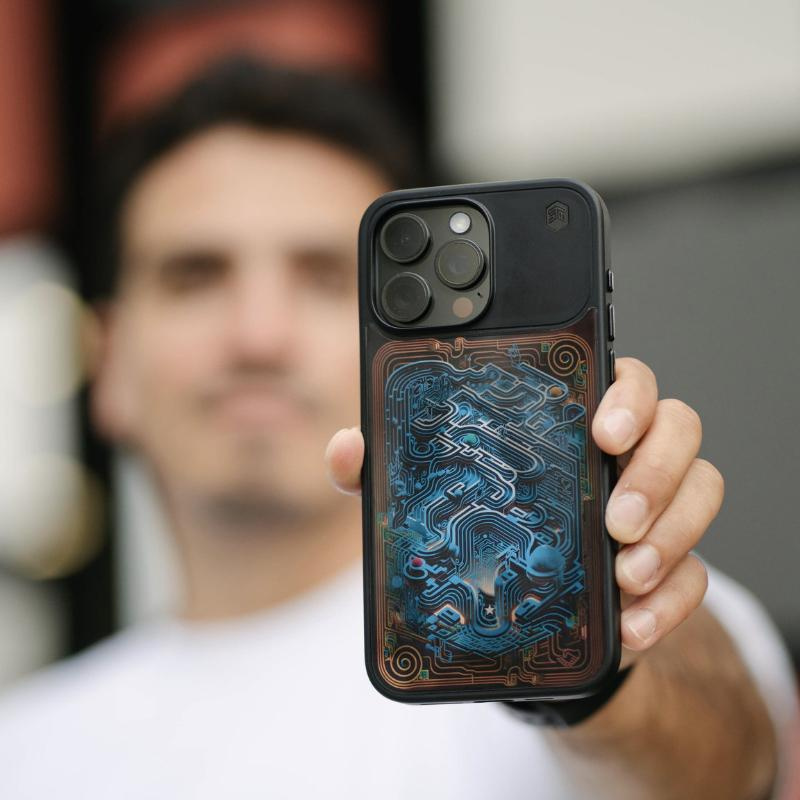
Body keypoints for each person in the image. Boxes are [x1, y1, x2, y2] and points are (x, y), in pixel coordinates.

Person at [0, 57, 796, 799]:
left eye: (323, 276)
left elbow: (724, 767)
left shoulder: (614, 603)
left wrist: (591, 666)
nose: (258, 335)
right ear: (107, 362)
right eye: (195, 277)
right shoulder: (25, 749)